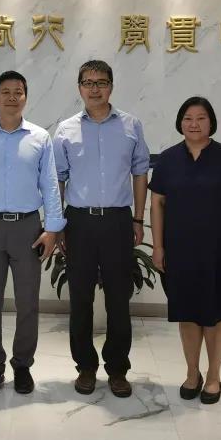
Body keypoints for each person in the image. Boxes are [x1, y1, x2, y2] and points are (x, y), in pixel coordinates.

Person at [0, 70, 66, 395]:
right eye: (5, 92)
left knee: (28, 302)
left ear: (25, 97)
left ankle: (22, 366)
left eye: (18, 91)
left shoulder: (39, 138)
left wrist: (53, 229)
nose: (12, 97)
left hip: (28, 228)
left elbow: (50, 185)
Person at [53, 60, 149, 398]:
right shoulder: (65, 129)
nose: (95, 89)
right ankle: (85, 366)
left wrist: (138, 219)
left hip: (118, 221)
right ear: (79, 87)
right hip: (79, 222)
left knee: (118, 299)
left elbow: (140, 172)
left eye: (101, 82)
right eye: (88, 82)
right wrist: (57, 224)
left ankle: (118, 368)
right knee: (80, 298)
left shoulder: (131, 125)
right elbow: (57, 179)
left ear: (111, 86)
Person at [149, 96, 221, 405]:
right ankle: (192, 373)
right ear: (180, 122)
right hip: (179, 252)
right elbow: (157, 204)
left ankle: (214, 376)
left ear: (211, 122)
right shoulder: (167, 160)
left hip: (219, 252)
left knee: (215, 315)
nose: (194, 123)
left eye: (201, 118)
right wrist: (158, 246)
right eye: (188, 118)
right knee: (188, 314)